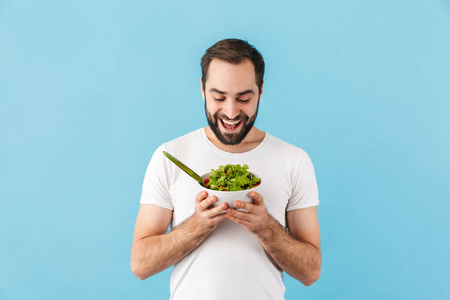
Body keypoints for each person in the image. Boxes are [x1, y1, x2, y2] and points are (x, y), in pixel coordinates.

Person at [130, 38, 321, 300]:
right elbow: (141, 264)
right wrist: (198, 224)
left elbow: (311, 272)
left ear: (261, 91)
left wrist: (266, 228)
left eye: (243, 98)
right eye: (219, 97)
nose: (231, 112)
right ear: (202, 89)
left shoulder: (293, 160)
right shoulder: (170, 156)